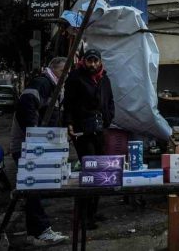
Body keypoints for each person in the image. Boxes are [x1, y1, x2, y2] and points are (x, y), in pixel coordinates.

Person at [9, 57, 69, 246]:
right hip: (29, 147)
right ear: (55, 70)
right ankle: (41, 231)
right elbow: (26, 107)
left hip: (37, 146)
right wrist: (36, 137)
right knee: (33, 188)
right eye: (64, 73)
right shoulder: (43, 83)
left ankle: (34, 232)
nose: (66, 77)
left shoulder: (55, 88)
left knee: (33, 189)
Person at [63, 49, 115, 229]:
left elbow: (110, 101)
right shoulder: (75, 77)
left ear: (100, 62)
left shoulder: (104, 78)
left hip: (100, 130)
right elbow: (67, 103)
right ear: (84, 61)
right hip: (82, 131)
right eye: (89, 61)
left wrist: (109, 118)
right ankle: (83, 217)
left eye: (95, 61)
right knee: (90, 171)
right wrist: (69, 123)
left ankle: (93, 212)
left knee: (100, 170)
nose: (92, 64)